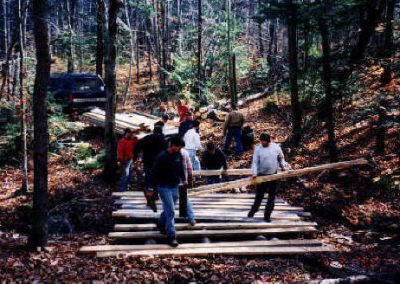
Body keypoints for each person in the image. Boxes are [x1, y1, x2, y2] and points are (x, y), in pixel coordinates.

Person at [150, 136, 187, 247]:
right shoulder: (162, 157)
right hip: (163, 186)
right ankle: (171, 236)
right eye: (178, 147)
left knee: (168, 208)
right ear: (172, 145)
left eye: (181, 148)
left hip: (175, 185)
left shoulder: (178, 155)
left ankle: (161, 223)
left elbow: (181, 168)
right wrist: (150, 187)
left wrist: (184, 179)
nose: (179, 149)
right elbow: (153, 172)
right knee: (171, 210)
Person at [248, 133, 287, 222]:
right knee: (259, 196)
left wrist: (283, 166)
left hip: (273, 175)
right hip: (261, 175)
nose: (262, 143)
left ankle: (267, 215)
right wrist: (254, 174)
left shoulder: (276, 147)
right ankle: (253, 210)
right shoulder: (258, 149)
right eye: (261, 141)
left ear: (268, 141)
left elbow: (281, 158)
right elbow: (255, 162)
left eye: (264, 141)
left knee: (271, 197)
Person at [134, 126, 167, 211]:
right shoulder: (163, 140)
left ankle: (150, 198)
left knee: (149, 179)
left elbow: (137, 145)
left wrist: (136, 156)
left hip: (148, 161)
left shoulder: (147, 138)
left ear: (153, 131)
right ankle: (155, 195)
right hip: (159, 162)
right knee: (157, 179)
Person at [180, 148, 196, 226]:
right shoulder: (185, 152)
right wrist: (190, 178)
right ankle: (190, 217)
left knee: (170, 201)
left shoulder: (167, 153)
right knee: (184, 198)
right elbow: (189, 167)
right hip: (183, 180)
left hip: (173, 181)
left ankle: (163, 221)